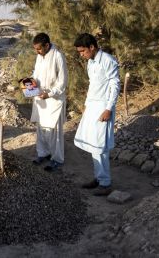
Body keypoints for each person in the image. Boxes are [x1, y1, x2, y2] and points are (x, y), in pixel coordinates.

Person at [73, 33, 120, 196]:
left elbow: (115, 85)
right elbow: (93, 86)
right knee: (94, 144)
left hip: (103, 107)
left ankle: (105, 183)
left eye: (83, 51)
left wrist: (108, 109)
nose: (81, 55)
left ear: (92, 47)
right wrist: (86, 106)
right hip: (92, 106)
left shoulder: (108, 60)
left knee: (101, 146)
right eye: (79, 52)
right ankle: (99, 178)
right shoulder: (90, 63)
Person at [30, 33, 68, 172]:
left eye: (39, 49)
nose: (37, 52)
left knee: (54, 132)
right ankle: (43, 153)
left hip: (54, 100)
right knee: (41, 129)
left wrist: (50, 94)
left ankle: (57, 159)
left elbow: (62, 82)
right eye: (35, 49)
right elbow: (36, 74)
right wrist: (31, 83)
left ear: (47, 45)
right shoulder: (39, 57)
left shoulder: (58, 56)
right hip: (40, 98)